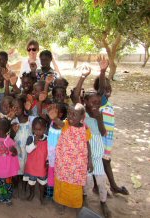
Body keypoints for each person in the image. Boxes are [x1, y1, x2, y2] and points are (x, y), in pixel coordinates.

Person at [72, 65, 111, 218]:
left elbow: (102, 132)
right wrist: (83, 77)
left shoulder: (98, 115)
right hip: (84, 156)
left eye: (97, 102)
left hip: (98, 157)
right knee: (86, 182)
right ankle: (85, 200)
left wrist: (102, 72)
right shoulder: (82, 114)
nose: (95, 105)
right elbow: (75, 96)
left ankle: (103, 202)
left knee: (101, 182)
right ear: (85, 102)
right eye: (92, 102)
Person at [93, 57, 129, 195]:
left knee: (106, 161)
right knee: (100, 162)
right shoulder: (100, 101)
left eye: (109, 87)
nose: (107, 90)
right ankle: (102, 186)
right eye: (104, 88)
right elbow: (101, 89)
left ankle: (111, 186)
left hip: (107, 139)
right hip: (100, 139)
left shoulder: (108, 103)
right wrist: (103, 71)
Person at [49, 103, 92, 212]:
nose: (70, 116)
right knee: (62, 183)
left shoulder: (85, 129)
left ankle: (76, 204)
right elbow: (59, 123)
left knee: (75, 185)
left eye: (74, 114)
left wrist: (90, 161)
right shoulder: (66, 124)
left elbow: (87, 144)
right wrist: (54, 118)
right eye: (69, 113)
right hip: (63, 163)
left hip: (78, 164)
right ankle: (61, 203)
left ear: (82, 117)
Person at [0, 118, 19, 207]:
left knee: (7, 185)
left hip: (6, 170)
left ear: (0, 130)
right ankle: (0, 197)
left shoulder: (8, 141)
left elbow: (15, 154)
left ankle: (7, 198)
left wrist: (13, 150)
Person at [10, 96, 35, 197]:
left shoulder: (30, 120)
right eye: (14, 108)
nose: (16, 110)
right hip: (17, 152)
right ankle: (16, 187)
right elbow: (10, 138)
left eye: (19, 107)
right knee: (16, 171)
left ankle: (24, 187)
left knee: (26, 171)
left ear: (24, 107)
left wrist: (29, 111)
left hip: (28, 152)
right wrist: (13, 131)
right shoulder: (13, 121)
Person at [23, 117, 48, 204]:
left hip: (41, 166)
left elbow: (48, 152)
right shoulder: (31, 138)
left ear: (45, 129)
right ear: (32, 129)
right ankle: (32, 194)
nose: (37, 132)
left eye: (40, 130)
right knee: (31, 183)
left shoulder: (47, 139)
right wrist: (34, 144)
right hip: (32, 166)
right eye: (35, 129)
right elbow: (27, 150)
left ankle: (41, 197)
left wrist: (47, 161)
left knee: (42, 183)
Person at [46, 103, 67, 199]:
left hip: (59, 157)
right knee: (51, 173)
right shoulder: (51, 123)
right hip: (50, 156)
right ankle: (50, 193)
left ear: (61, 114)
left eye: (55, 110)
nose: (52, 112)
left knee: (59, 175)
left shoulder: (62, 125)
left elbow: (61, 124)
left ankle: (59, 194)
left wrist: (55, 119)